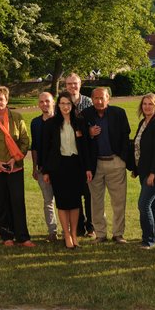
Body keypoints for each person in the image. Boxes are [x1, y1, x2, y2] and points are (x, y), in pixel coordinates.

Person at [0, 86, 34, 248]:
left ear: (7, 100)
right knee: (0, 202)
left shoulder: (17, 117)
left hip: (15, 166)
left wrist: (13, 159)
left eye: (1, 99)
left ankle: (23, 237)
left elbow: (24, 141)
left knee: (17, 201)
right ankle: (6, 236)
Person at [39, 92, 93, 249]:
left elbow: (85, 148)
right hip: (58, 167)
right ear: (58, 105)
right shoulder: (51, 124)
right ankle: (66, 234)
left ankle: (75, 234)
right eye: (62, 103)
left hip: (76, 166)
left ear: (72, 105)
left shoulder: (80, 123)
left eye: (68, 104)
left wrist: (88, 168)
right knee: (62, 203)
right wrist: (46, 171)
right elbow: (45, 149)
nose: (65, 106)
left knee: (75, 202)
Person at [82, 87, 131, 244]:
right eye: (95, 98)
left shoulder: (118, 113)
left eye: (102, 98)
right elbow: (81, 139)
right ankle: (100, 234)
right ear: (92, 99)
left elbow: (126, 135)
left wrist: (122, 159)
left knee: (118, 200)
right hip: (95, 163)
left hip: (115, 162)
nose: (99, 101)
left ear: (108, 98)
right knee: (96, 201)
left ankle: (118, 233)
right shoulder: (86, 114)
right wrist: (89, 133)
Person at [131, 93, 155, 249]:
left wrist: (152, 173)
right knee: (154, 204)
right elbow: (139, 148)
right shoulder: (143, 122)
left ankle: (148, 240)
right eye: (144, 104)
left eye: (150, 104)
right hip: (144, 169)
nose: (147, 106)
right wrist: (136, 168)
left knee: (143, 204)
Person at [64, 73, 94, 237]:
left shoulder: (88, 102)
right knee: (75, 193)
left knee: (89, 193)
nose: (72, 87)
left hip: (86, 153)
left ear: (80, 84)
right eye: (69, 84)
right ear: (65, 85)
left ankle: (91, 226)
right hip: (70, 155)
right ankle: (79, 226)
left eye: (75, 84)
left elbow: (93, 125)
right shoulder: (62, 102)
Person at [30, 91, 59, 242]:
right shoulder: (35, 123)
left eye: (47, 101)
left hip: (60, 169)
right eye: (41, 102)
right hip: (42, 168)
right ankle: (52, 231)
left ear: (53, 102)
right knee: (48, 201)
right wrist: (35, 167)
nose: (44, 104)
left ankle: (67, 231)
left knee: (63, 201)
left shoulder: (61, 120)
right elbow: (34, 147)